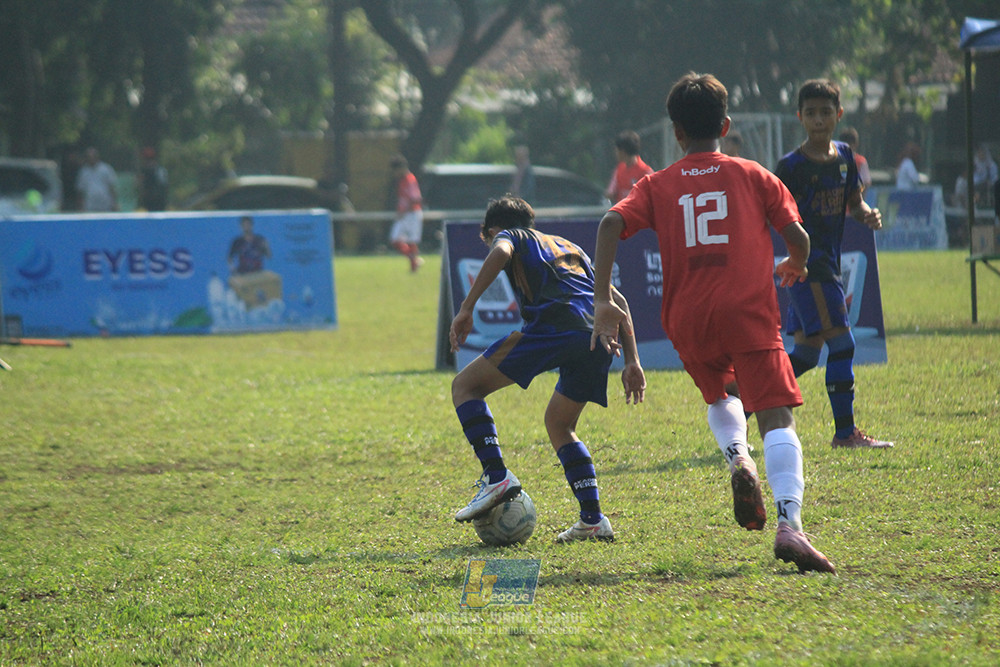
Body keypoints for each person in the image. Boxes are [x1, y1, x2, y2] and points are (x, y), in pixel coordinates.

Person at [590, 72, 834, 574]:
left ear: (677, 133)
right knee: (777, 416)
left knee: (723, 395)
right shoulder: (754, 175)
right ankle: (790, 524)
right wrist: (795, 263)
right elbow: (799, 239)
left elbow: (611, 222)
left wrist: (601, 299)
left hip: (689, 318)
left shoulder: (656, 184)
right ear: (725, 125)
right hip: (747, 312)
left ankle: (738, 457)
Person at [450, 196, 645, 543]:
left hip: (554, 327)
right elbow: (619, 301)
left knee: (465, 387)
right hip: (596, 336)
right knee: (560, 424)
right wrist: (633, 361)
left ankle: (496, 476)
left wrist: (467, 308)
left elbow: (501, 251)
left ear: (493, 230)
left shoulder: (510, 236)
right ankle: (593, 520)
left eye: (489, 239)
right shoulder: (569, 247)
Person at [775, 79, 892, 450]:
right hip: (810, 268)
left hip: (828, 265)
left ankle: (742, 401)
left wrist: (867, 214)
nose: (818, 120)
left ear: (838, 115)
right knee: (842, 346)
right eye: (811, 113)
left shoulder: (845, 157)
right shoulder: (790, 167)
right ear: (800, 117)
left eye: (825, 112)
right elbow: (773, 214)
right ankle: (845, 434)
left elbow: (854, 204)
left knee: (807, 355)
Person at [388, 154, 424, 272]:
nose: (394, 174)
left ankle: (414, 266)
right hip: (404, 215)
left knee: (412, 241)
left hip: (412, 214)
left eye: (395, 171)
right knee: (395, 240)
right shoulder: (402, 181)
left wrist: (404, 211)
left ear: (400, 168)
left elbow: (415, 199)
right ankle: (414, 259)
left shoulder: (410, 180)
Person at [605, 130, 654, 203]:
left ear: (623, 151)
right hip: (622, 209)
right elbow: (610, 192)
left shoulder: (645, 171)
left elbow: (653, 195)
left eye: (617, 150)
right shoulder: (619, 169)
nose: (615, 153)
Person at [75, 147, 118, 212]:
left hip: (106, 204)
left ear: (97, 157)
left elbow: (111, 187)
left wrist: (115, 203)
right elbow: (80, 191)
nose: (91, 158)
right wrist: (80, 206)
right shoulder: (83, 172)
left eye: (93, 156)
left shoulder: (106, 169)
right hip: (90, 205)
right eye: (89, 157)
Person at [137, 146, 169, 211]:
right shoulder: (160, 169)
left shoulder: (147, 170)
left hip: (154, 200)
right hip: (156, 200)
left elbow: (140, 185)